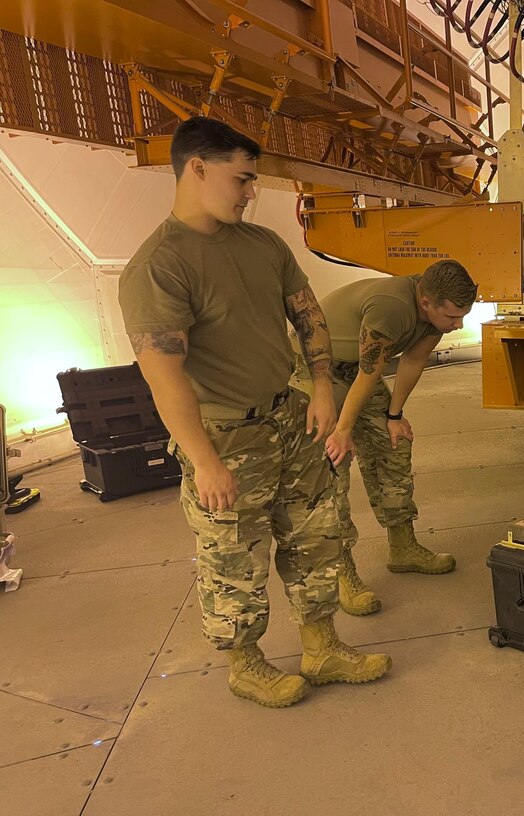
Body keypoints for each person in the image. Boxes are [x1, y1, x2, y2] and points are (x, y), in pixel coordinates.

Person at [118, 116, 390, 708]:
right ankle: (246, 663)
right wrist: (204, 461)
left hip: (289, 420)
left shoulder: (263, 245)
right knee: (234, 556)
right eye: (242, 179)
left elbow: (309, 316)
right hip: (225, 435)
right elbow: (163, 378)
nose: (249, 192)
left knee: (316, 536)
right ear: (197, 167)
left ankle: (321, 647)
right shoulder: (160, 265)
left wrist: (321, 387)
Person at [319, 261, 477, 608]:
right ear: (426, 303)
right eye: (453, 317)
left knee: (394, 444)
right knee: (332, 465)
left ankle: (403, 547)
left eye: (463, 315)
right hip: (317, 372)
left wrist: (394, 415)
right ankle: (340, 570)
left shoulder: (436, 318)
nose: (459, 324)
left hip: (358, 373)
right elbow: (368, 369)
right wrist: (343, 430)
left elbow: (412, 362)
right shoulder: (391, 307)